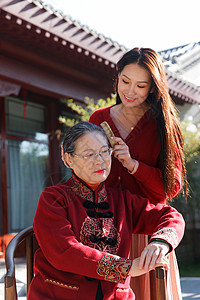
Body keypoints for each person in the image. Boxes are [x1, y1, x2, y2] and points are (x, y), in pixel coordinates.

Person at [28, 122, 185, 300]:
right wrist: (124, 267)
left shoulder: (122, 200)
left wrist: (160, 243)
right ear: (67, 158)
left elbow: (171, 216)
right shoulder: (53, 199)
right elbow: (64, 252)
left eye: (104, 151)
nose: (100, 160)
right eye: (89, 154)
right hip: (60, 295)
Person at [89, 47, 187, 299]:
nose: (130, 92)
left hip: (147, 233)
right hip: (104, 231)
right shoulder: (98, 119)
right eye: (125, 81)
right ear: (117, 76)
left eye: (141, 86)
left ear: (153, 88)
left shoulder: (164, 125)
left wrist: (133, 165)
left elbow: (172, 187)